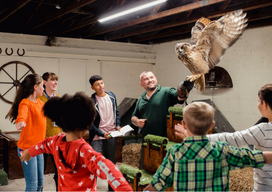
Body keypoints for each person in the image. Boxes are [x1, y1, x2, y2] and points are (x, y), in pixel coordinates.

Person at [144, 102, 272, 191]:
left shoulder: (175, 153)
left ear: (183, 124)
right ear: (212, 125)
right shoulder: (223, 150)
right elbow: (255, 158)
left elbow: (158, 183)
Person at [20, 92, 133, 192]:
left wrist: (28, 152)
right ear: (84, 127)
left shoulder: (55, 141)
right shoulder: (84, 150)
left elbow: (42, 145)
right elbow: (108, 169)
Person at [175, 84, 272, 191]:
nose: (257, 104)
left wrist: (197, 137)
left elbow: (234, 138)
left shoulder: (263, 130)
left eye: (259, 101)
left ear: (265, 104)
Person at [5, 74, 46, 191]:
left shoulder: (40, 103)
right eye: (42, 86)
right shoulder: (25, 103)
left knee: (40, 184)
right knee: (32, 185)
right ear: (35, 87)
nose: (43, 89)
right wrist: (21, 122)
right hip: (27, 149)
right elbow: (22, 114)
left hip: (39, 148)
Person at [131, 70, 194, 138]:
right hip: (147, 141)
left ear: (156, 79)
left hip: (165, 140)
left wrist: (184, 89)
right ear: (141, 84)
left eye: (151, 77)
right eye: (146, 79)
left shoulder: (166, 92)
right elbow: (133, 116)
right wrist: (137, 122)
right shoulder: (141, 99)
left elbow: (179, 97)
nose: (150, 80)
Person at [88, 75, 121, 191]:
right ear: (93, 87)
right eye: (97, 84)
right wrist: (102, 134)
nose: (100, 86)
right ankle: (92, 188)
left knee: (111, 163)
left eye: (101, 83)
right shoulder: (91, 101)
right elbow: (90, 123)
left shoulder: (112, 96)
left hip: (112, 134)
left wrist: (117, 125)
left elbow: (116, 112)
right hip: (97, 136)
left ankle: (112, 189)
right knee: (94, 163)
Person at [38, 72, 60, 191]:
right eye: (52, 80)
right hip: (43, 140)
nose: (55, 82)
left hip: (57, 140)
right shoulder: (39, 98)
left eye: (56, 80)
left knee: (59, 170)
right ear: (44, 82)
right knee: (40, 171)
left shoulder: (59, 98)